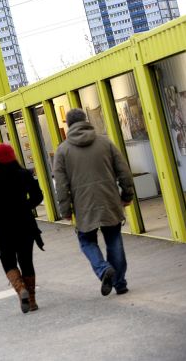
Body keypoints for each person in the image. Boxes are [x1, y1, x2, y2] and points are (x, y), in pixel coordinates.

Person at [54, 108, 135, 296]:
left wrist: (65, 210)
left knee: (86, 241)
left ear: (68, 125)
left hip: (83, 206)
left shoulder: (62, 150)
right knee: (114, 240)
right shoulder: (105, 143)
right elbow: (124, 172)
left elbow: (61, 186)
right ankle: (120, 283)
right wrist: (127, 195)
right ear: (85, 120)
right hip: (109, 200)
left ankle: (103, 268)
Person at [0, 143, 44, 313]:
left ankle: (21, 289)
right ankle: (32, 301)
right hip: (25, 224)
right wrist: (25, 206)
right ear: (13, 157)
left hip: (3, 227)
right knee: (26, 261)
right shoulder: (24, 174)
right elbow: (38, 196)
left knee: (8, 261)